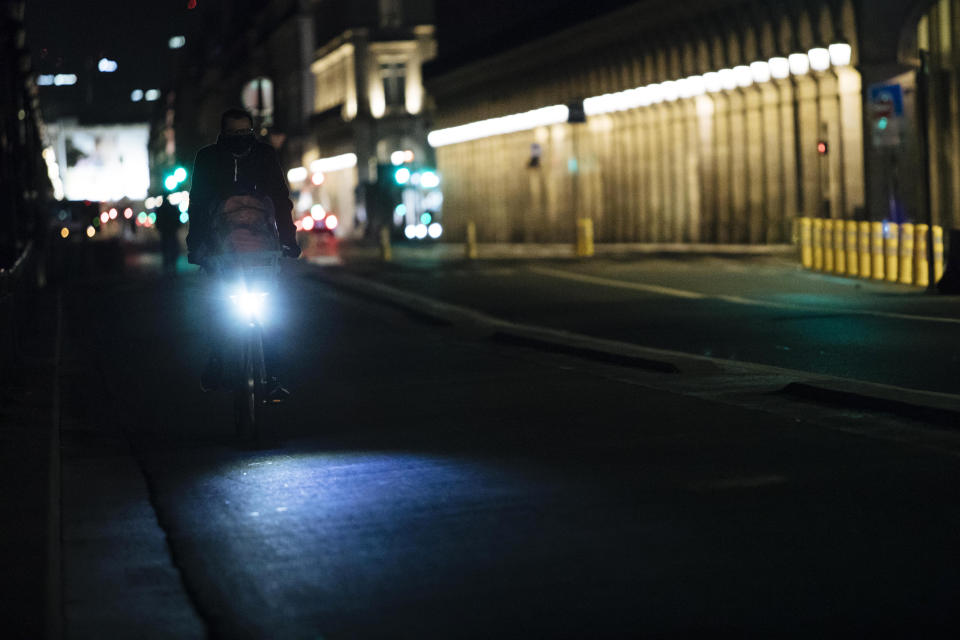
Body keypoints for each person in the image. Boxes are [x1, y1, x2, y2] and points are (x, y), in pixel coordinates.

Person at [186, 107, 300, 396]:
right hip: (220, 247)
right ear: (222, 133)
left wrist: (288, 239)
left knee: (273, 312)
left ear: (252, 131)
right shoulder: (208, 158)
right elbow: (197, 204)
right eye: (233, 133)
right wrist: (196, 245)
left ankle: (273, 374)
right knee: (215, 306)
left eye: (245, 132)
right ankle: (216, 360)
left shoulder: (265, 155)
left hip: (261, 248)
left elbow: (280, 199)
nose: (240, 138)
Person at [155, 197, 181, 276]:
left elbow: (158, 222)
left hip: (165, 232)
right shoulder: (172, 208)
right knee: (172, 249)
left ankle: (168, 268)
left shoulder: (160, 209)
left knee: (166, 250)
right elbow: (177, 220)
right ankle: (172, 267)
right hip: (171, 232)